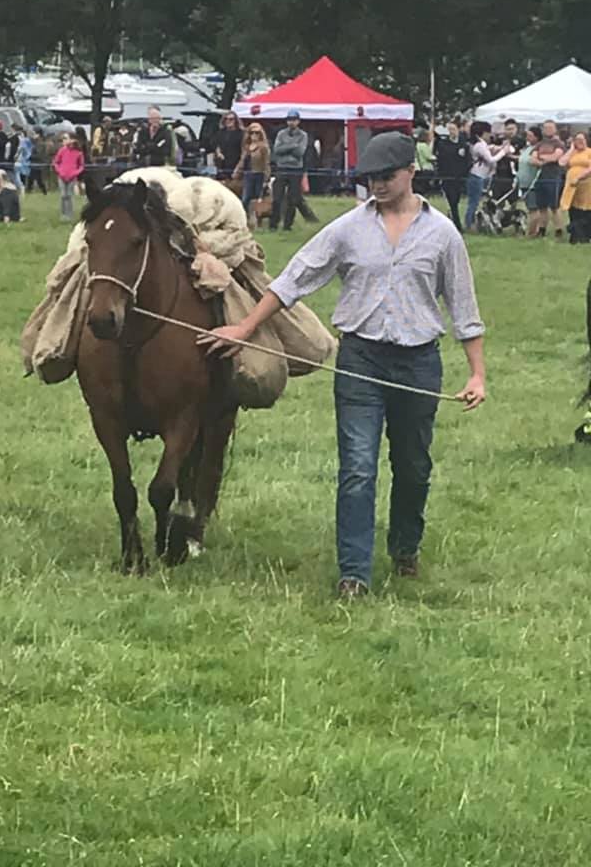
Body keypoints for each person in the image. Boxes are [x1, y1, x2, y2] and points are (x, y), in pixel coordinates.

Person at [200, 131, 485, 598]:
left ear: (411, 172)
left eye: (386, 177)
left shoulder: (443, 234)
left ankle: (405, 546)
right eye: (369, 178)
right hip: (361, 362)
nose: (376, 185)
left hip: (418, 364)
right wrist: (246, 327)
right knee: (357, 468)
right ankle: (354, 573)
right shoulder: (348, 228)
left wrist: (477, 374)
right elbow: (295, 278)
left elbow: (463, 305)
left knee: (413, 466)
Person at [465, 120, 511, 230]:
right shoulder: (479, 145)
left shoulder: (480, 144)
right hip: (477, 176)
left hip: (480, 176)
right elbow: (490, 160)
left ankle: (473, 223)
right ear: (482, 133)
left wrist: (496, 148)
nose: (490, 135)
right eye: (488, 132)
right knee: (474, 202)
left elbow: (488, 150)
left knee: (475, 201)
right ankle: (469, 225)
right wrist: (503, 152)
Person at [270, 110, 308, 231]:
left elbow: (300, 152)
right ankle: (273, 224)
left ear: (298, 121)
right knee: (277, 198)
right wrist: (293, 145)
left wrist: (286, 147)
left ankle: (288, 225)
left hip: (296, 169)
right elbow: (277, 150)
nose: (291, 122)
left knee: (293, 199)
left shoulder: (303, 135)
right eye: (289, 119)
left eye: (294, 120)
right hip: (281, 167)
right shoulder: (281, 134)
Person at [531, 120, 565, 239]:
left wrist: (542, 158)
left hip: (553, 178)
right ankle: (542, 230)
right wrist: (543, 159)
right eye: (545, 128)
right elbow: (533, 159)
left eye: (550, 128)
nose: (548, 130)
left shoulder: (559, 143)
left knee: (554, 206)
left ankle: (559, 230)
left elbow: (556, 157)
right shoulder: (539, 144)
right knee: (542, 207)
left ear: (555, 129)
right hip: (540, 179)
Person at [435, 121, 469, 232]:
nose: (451, 132)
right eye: (449, 129)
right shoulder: (443, 144)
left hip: (459, 178)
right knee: (451, 202)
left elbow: (467, 160)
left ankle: (454, 223)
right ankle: (457, 225)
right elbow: (442, 157)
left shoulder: (464, 144)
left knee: (456, 201)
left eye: (453, 129)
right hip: (447, 177)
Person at [233, 122, 270, 226]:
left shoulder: (264, 147)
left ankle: (257, 222)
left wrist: (266, 179)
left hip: (259, 174)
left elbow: (266, 163)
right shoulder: (246, 147)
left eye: (257, 133)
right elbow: (242, 160)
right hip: (248, 174)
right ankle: (244, 219)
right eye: (251, 132)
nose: (254, 135)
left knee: (257, 199)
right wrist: (236, 172)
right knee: (245, 199)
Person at [559, 132, 591, 244]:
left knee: (585, 211)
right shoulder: (573, 153)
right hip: (572, 186)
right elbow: (562, 163)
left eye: (582, 139)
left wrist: (579, 177)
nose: (580, 142)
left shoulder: (589, 152)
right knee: (573, 210)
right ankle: (574, 235)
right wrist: (571, 149)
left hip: (586, 185)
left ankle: (584, 236)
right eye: (577, 139)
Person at [517, 126, 542, 236]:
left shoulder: (538, 149)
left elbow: (538, 164)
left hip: (532, 184)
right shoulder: (527, 148)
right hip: (523, 182)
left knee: (533, 209)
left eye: (530, 135)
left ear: (537, 137)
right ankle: (534, 230)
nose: (528, 137)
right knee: (529, 207)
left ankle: (531, 233)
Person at [53, 136, 85, 221]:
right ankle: (63, 214)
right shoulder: (62, 150)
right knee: (63, 195)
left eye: (72, 144)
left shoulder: (79, 153)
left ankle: (69, 214)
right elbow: (56, 162)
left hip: (72, 177)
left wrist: (75, 173)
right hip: (61, 176)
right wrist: (59, 171)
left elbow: (81, 166)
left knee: (69, 195)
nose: (70, 145)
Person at [493, 118, 524, 201]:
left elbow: (522, 156)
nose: (510, 131)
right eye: (508, 129)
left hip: (513, 174)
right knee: (498, 200)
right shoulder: (499, 141)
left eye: (512, 129)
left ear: (516, 129)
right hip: (499, 173)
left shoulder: (521, 141)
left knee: (513, 200)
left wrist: (510, 155)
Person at [213, 111, 244, 179]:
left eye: (231, 119)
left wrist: (238, 168)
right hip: (222, 167)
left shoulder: (241, 134)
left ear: (235, 121)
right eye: (226, 119)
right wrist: (218, 153)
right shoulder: (220, 133)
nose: (228, 121)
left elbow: (244, 153)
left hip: (235, 167)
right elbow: (216, 145)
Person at [26, 128, 49, 194]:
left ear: (38, 134)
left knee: (37, 180)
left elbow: (39, 155)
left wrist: (30, 157)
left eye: (34, 133)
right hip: (34, 164)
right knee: (33, 179)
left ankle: (44, 192)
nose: (33, 135)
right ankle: (43, 192)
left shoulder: (40, 144)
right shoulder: (36, 143)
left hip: (37, 165)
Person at [13, 126, 32, 190]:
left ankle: (22, 187)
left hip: (22, 160)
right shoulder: (26, 140)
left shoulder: (24, 141)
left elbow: (22, 149)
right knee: (20, 174)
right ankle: (22, 187)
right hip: (23, 160)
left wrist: (16, 156)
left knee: (20, 174)